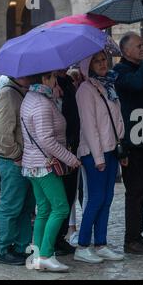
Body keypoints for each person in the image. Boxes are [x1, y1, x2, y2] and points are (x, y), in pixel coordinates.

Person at [21, 71, 81, 272]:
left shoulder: (32, 97)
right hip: (45, 165)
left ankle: (38, 255)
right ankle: (46, 254)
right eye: (53, 77)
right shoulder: (42, 103)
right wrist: (70, 158)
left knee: (44, 209)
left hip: (32, 164)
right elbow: (46, 139)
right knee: (61, 208)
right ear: (45, 79)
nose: (56, 80)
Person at [75, 51, 126, 263]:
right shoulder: (86, 90)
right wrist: (98, 157)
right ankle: (83, 245)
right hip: (94, 151)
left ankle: (101, 243)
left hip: (111, 149)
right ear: (88, 66)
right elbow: (89, 126)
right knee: (96, 198)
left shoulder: (108, 85)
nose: (103, 63)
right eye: (97, 61)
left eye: (104, 59)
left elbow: (116, 118)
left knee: (107, 198)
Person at [113, 32, 143, 255]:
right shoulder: (120, 72)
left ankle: (137, 234)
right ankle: (130, 239)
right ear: (125, 51)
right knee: (135, 191)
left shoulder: (139, 68)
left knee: (142, 189)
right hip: (131, 141)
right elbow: (136, 84)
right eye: (138, 46)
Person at [0, 75, 35, 265]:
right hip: (13, 161)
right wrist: (16, 155)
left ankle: (21, 246)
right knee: (11, 205)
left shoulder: (23, 92)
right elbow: (2, 133)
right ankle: (5, 249)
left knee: (26, 206)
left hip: (25, 159)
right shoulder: (7, 94)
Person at [53, 69, 81, 256]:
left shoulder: (68, 82)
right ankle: (53, 240)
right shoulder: (53, 86)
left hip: (73, 144)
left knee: (69, 194)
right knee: (59, 199)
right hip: (61, 148)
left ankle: (60, 237)